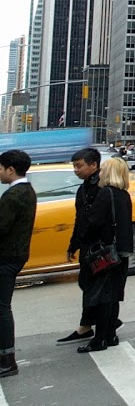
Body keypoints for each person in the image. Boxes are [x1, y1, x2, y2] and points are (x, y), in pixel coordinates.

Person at [77, 157, 134, 353]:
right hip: (121, 252)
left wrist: (84, 239)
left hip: (105, 253)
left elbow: (94, 223)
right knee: (113, 296)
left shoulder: (105, 194)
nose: (99, 173)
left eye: (102, 170)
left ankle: (99, 339)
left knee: (101, 296)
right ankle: (110, 335)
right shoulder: (124, 195)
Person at [57, 147, 105, 346]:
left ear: (94, 165)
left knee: (97, 288)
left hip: (100, 247)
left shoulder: (104, 187)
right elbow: (80, 219)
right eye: (74, 166)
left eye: (79, 166)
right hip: (87, 245)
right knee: (86, 284)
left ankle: (94, 325)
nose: (76, 170)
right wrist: (73, 245)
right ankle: (89, 324)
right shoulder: (83, 188)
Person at [0, 150, 37, 378]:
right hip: (15, 255)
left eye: (0, 167)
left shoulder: (13, 196)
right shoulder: (26, 190)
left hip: (6, 257)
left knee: (2, 307)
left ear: (10, 170)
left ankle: (7, 360)